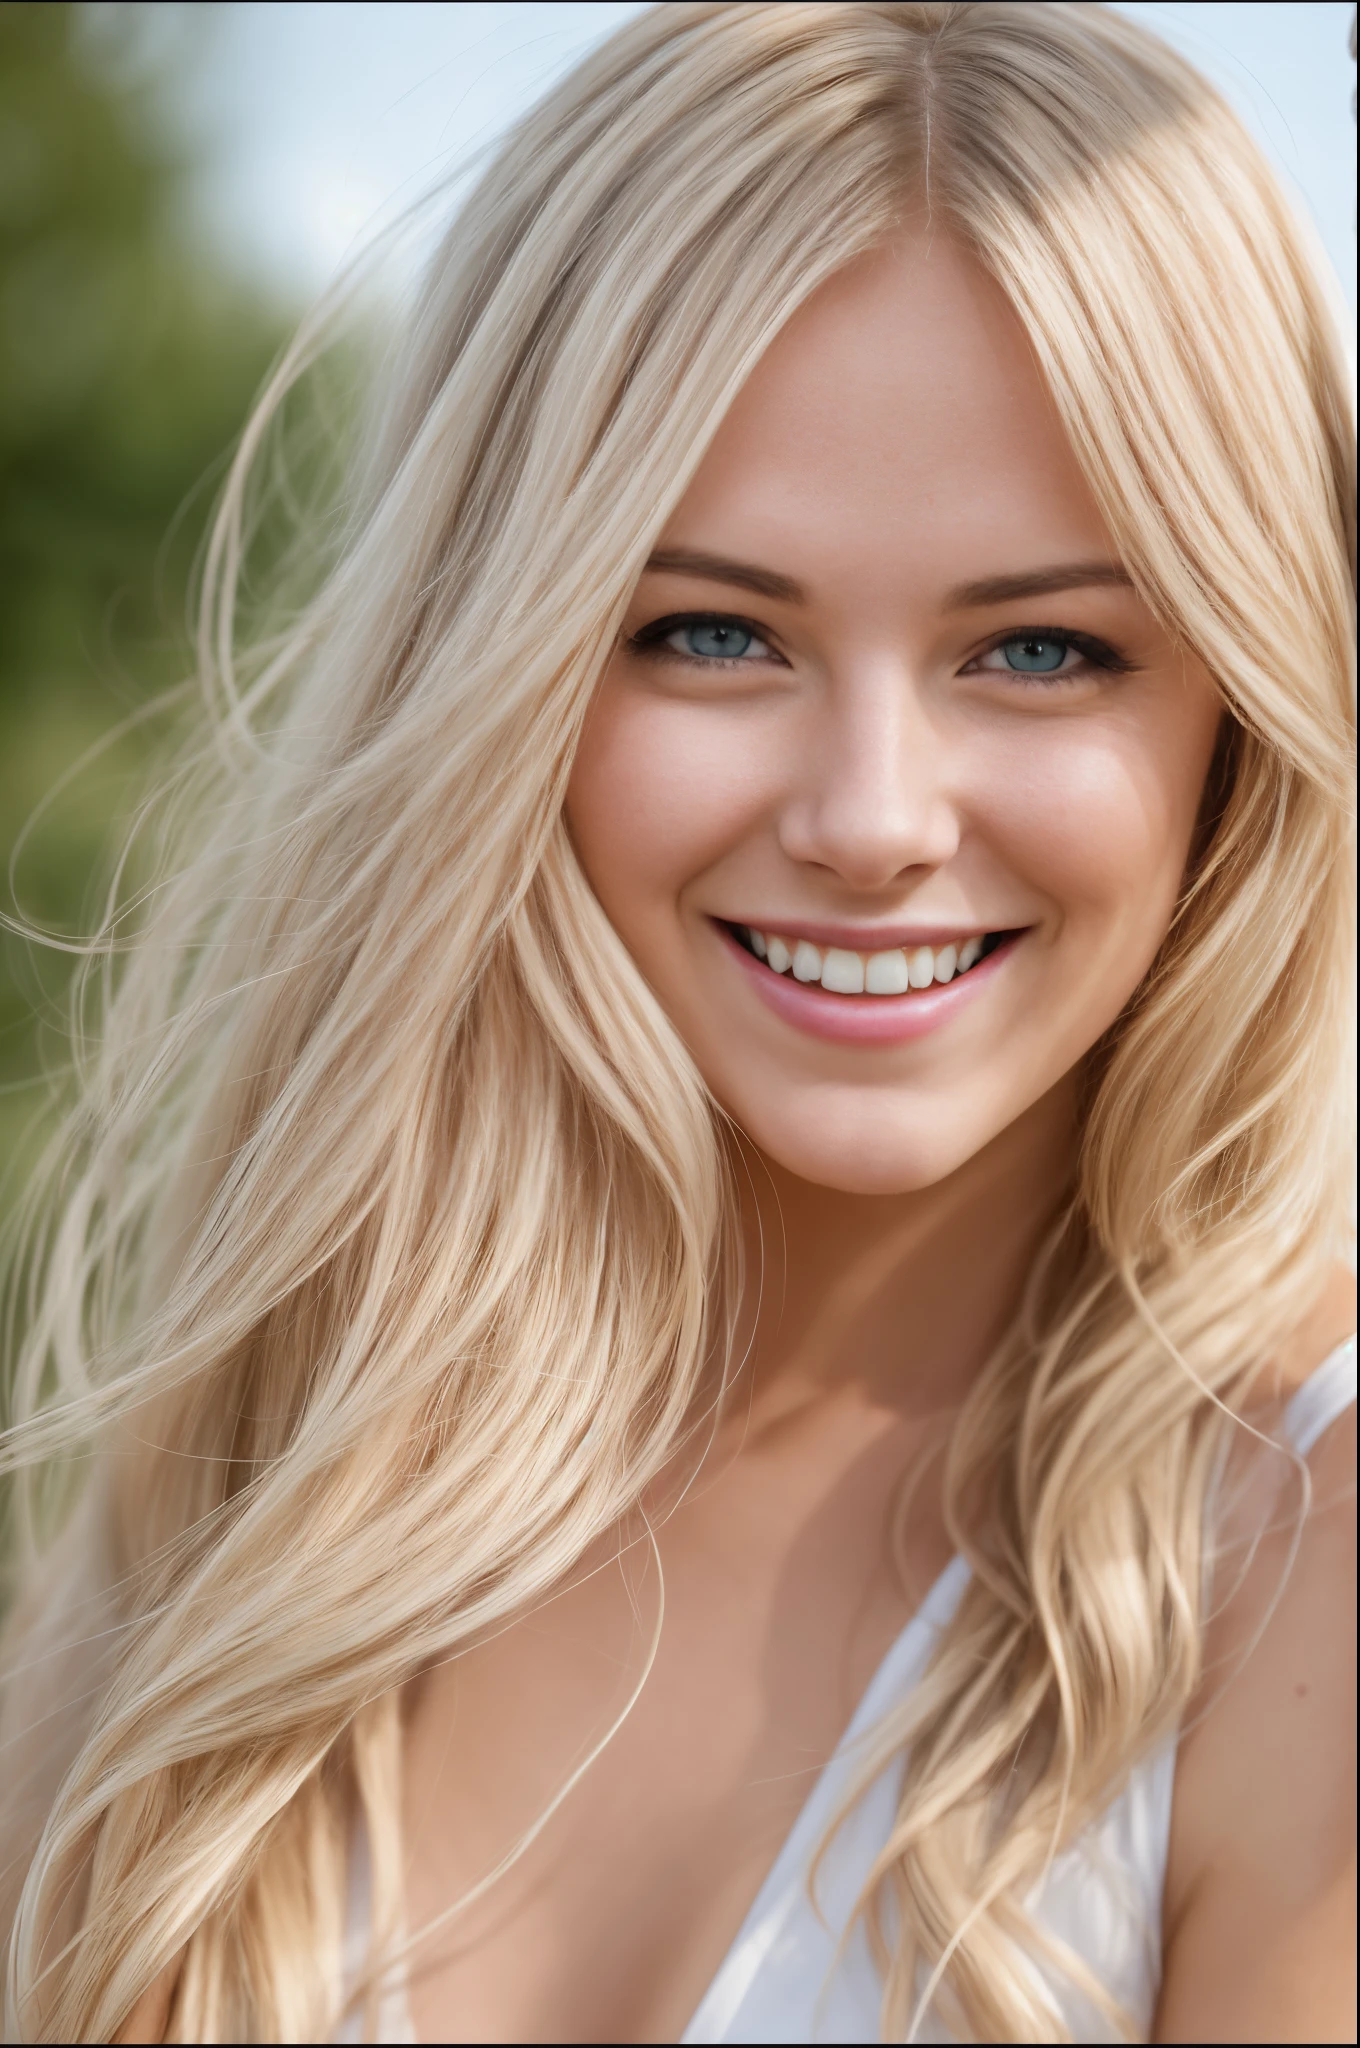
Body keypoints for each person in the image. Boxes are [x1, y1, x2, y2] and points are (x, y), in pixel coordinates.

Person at [1, 4, 1354, 2042]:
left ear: (1234, 724)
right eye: (708, 632)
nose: (871, 819)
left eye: (1043, 648)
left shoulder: (1303, 1564)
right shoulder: (262, 1491)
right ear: (501, 667)